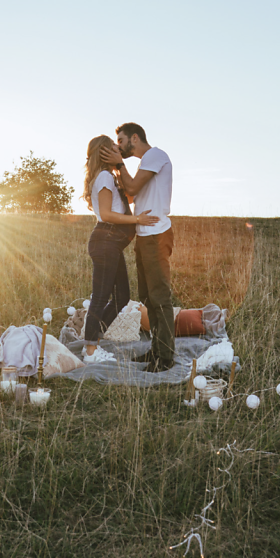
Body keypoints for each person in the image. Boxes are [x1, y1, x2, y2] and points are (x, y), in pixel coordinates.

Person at [101, 123, 175, 372]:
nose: (119, 146)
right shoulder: (145, 163)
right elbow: (132, 196)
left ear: (135, 137)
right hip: (144, 235)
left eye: (121, 141)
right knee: (146, 297)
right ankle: (156, 350)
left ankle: (165, 357)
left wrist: (120, 165)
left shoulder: (155, 155)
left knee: (159, 297)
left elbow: (131, 188)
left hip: (156, 234)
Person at [81, 135, 159, 364]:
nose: (119, 149)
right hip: (105, 240)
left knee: (122, 296)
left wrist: (121, 168)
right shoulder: (104, 176)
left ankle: (93, 337)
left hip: (111, 243)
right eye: (114, 147)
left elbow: (131, 195)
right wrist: (137, 221)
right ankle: (91, 350)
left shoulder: (110, 176)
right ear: (104, 151)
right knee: (101, 296)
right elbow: (105, 214)